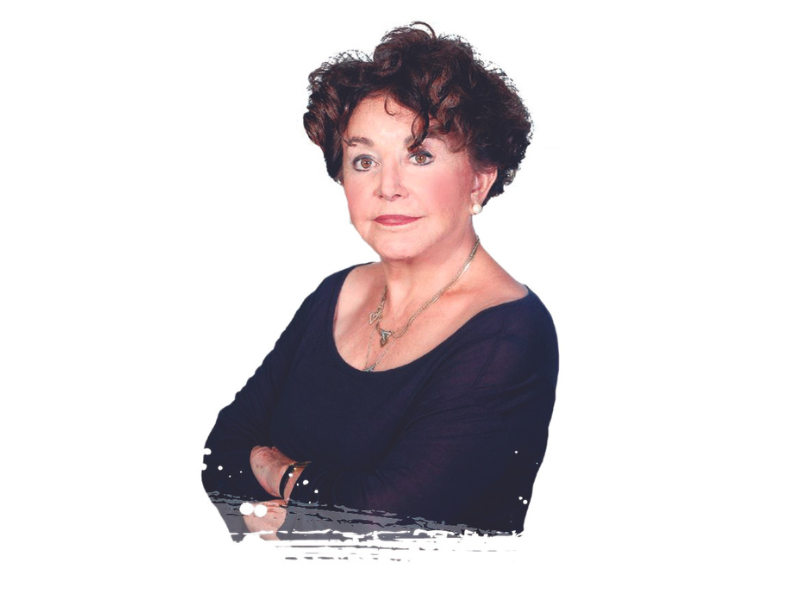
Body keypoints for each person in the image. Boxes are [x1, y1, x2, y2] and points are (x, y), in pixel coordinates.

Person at [201, 23, 558, 542]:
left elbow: (383, 522)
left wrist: (274, 469)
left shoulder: (511, 334)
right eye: (364, 160)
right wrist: (303, 514)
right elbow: (219, 455)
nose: (388, 187)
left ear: (479, 179)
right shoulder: (335, 294)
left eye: (420, 156)